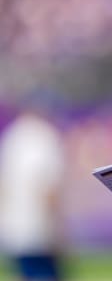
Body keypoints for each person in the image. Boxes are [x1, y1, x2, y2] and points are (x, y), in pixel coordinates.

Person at [0, 105, 65, 281]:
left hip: (13, 225)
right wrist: (57, 226)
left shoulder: (12, 137)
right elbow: (47, 188)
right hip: (38, 226)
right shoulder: (45, 137)